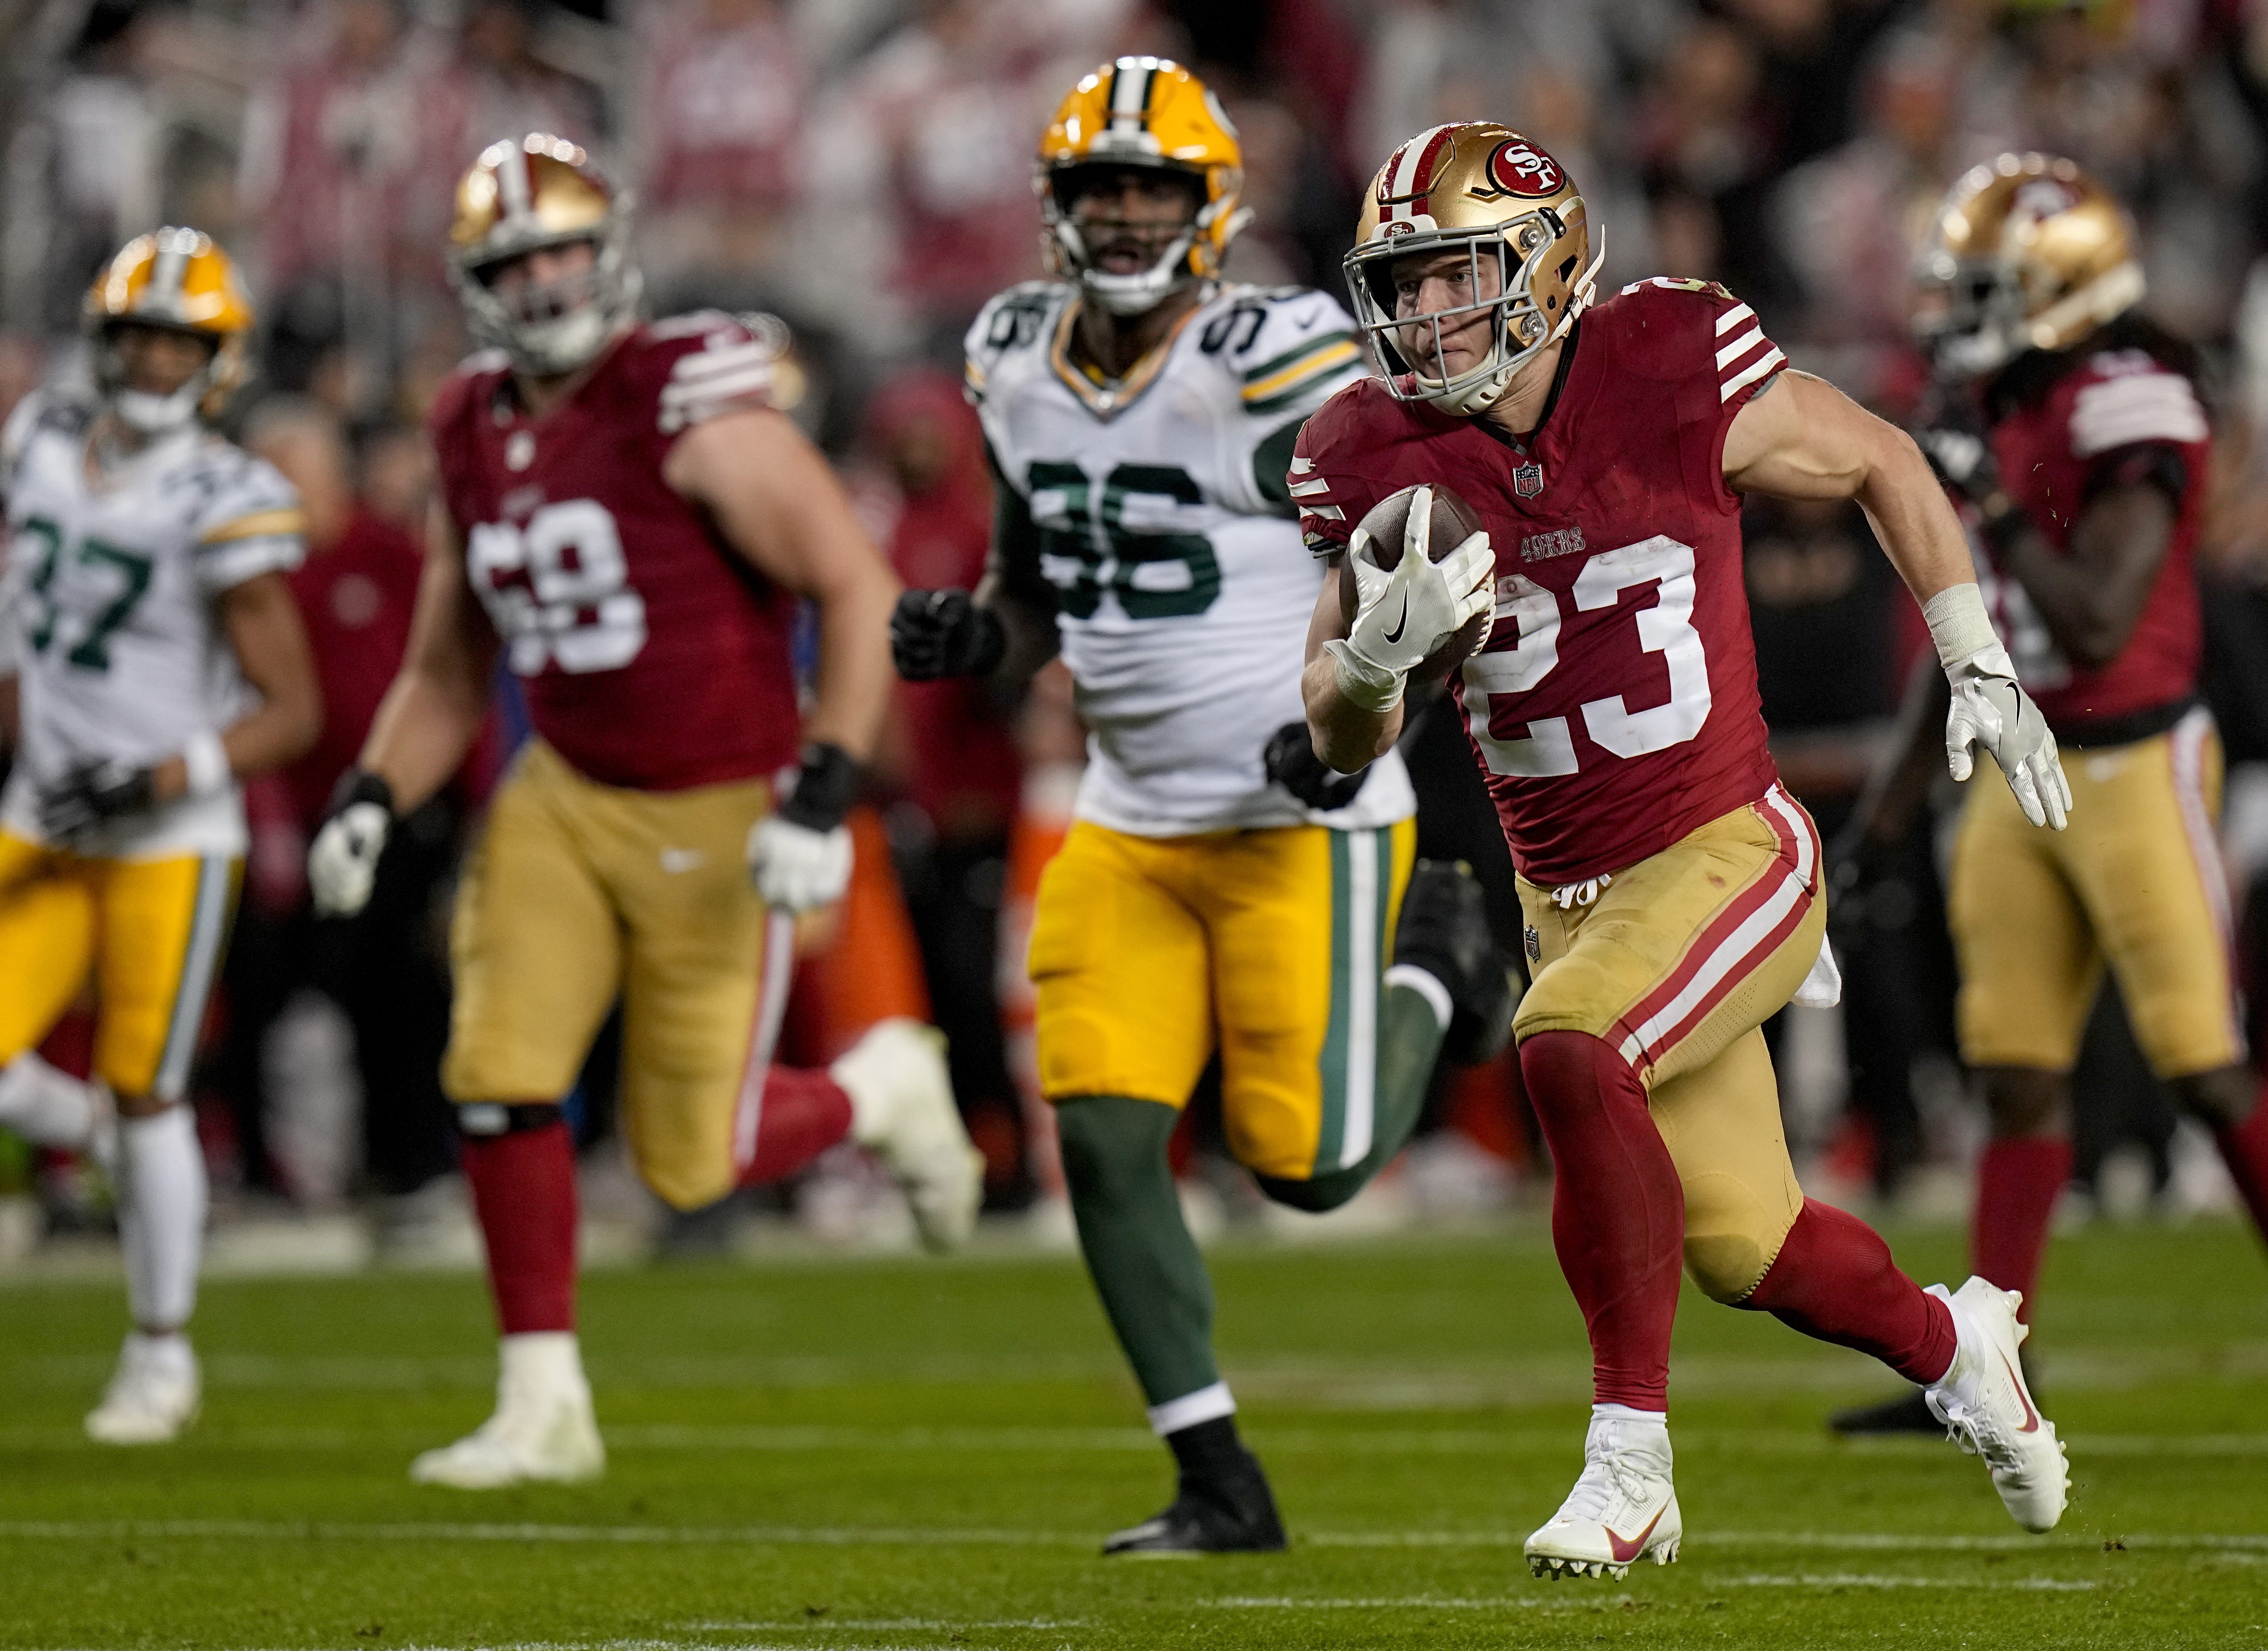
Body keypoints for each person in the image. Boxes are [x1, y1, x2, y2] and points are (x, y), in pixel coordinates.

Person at [1294, 122, 2075, 1578]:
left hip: (1726, 846)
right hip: (1566, 895)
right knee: (1745, 1250)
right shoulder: (1365, 450)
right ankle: (1958, 1345)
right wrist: (1373, 672)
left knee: (1571, 1046)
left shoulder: (1668, 361)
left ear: (1547, 265)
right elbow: (1330, 728)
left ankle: (1630, 1467)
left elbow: (1880, 460)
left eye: (1458, 276)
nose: (1425, 316)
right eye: (1404, 285)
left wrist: (1975, 658)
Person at [891, 58, 1511, 1556]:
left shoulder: (1281, 352)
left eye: (1148, 189)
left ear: (1208, 205)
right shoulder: (1014, 358)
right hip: (1129, 815)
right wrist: (983, 638)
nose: (1119, 216)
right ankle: (1217, 1479)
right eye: (1096, 190)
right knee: (1104, 1140)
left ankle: (1442, 963)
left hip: (1304, 808)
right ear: (1054, 208)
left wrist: (1368, 724)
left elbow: (1433, 553)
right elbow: (1033, 579)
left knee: (1309, 1170)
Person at [305, 134, 981, 1489]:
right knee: (496, 1071)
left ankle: (882, 1088)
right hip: (561, 790)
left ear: (608, 246)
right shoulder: (469, 424)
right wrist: (375, 790)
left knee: (691, 1158)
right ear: (477, 282)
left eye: (563, 248)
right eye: (516, 261)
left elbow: (852, 588)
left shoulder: (692, 400)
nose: (547, 279)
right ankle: (542, 1402)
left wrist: (824, 784)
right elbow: (448, 664)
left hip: (720, 801)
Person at [1829, 154, 2268, 1434]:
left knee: (2202, 1066)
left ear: (2064, 291)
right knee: (2012, 1073)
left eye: (1984, 290)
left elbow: (2090, 619)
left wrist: (1988, 497)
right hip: (2018, 761)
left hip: (2135, 761)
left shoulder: (2128, 401)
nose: (1954, 318)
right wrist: (1884, 820)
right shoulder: (2004, 401)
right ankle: (1983, 1365)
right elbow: (1977, 628)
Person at [0, 229, 322, 1441]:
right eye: (137, 336)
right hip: (38, 807)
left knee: (150, 1089)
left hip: (166, 836)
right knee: (81, 1093)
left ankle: (161, 1350)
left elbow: (293, 711)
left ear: (217, 360)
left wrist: (155, 774)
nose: (150, 362)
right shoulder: (36, 437)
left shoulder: (223, 495)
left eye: (177, 343)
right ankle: (70, 1126)